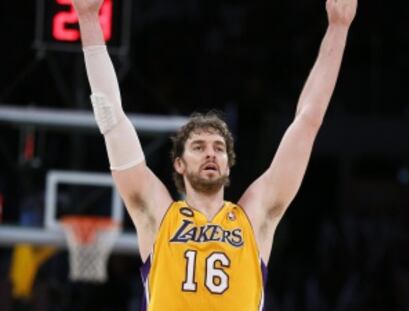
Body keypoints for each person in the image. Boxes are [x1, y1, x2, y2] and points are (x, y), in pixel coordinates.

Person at [71, 0, 357, 310]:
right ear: (179, 164)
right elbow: (111, 120)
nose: (210, 153)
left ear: (227, 165)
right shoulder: (158, 216)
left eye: (218, 148)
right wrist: (87, 19)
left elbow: (308, 122)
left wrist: (338, 27)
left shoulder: (253, 217)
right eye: (198, 147)